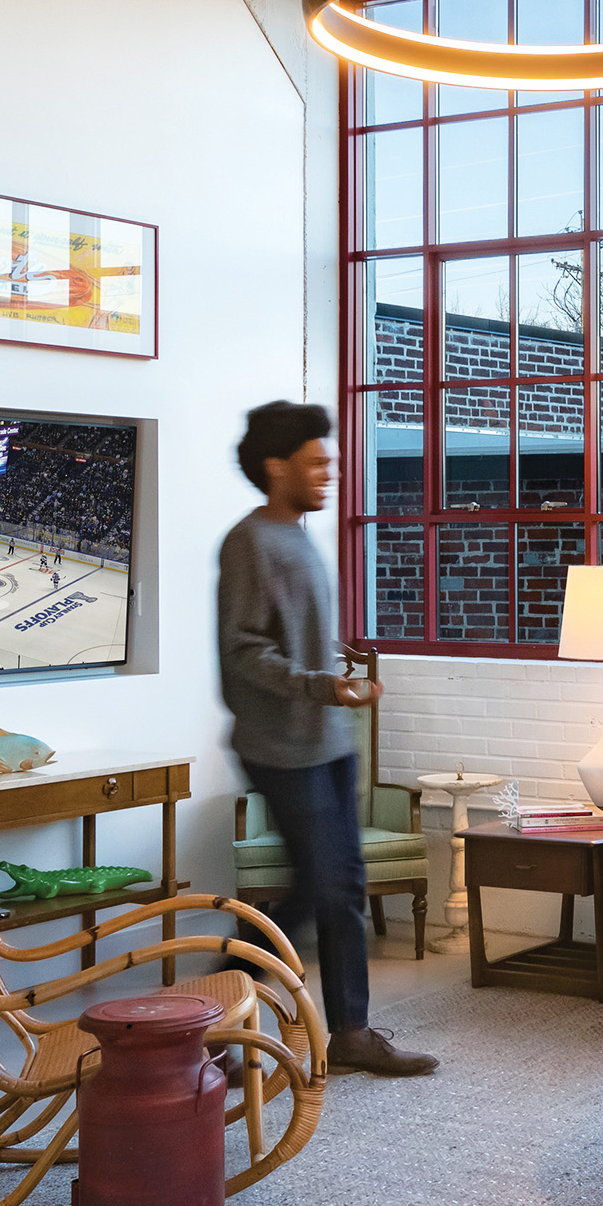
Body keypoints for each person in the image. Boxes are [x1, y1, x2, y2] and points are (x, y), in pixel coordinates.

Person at [219, 399, 436, 1079]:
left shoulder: (298, 533)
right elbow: (244, 651)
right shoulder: (250, 542)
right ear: (276, 465)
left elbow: (298, 638)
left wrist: (339, 687)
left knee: (336, 886)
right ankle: (218, 1012)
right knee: (321, 886)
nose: (328, 472)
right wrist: (321, 685)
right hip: (280, 745)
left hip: (328, 738)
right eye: (315, 462)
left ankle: (350, 1031)